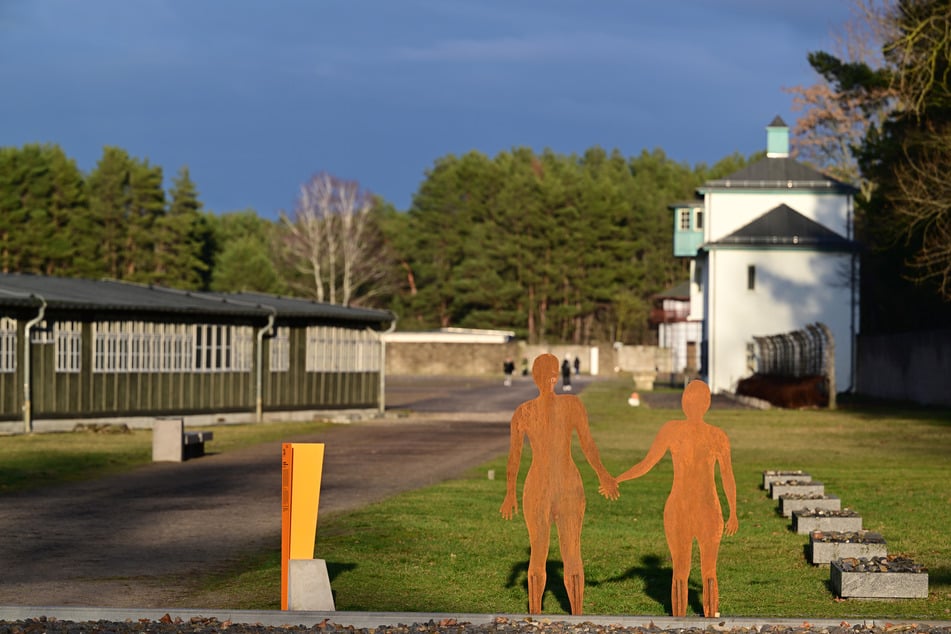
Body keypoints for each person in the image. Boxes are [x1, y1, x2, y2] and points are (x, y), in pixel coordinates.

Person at [500, 353, 619, 615]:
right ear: (554, 376)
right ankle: (573, 614)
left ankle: (537, 613)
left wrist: (511, 493)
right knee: (569, 552)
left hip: (544, 484)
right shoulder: (568, 405)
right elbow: (587, 445)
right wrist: (602, 474)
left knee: (542, 552)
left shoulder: (525, 411)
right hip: (563, 483)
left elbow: (514, 459)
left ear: (535, 377)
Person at [615, 379, 738, 618]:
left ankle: (679, 619)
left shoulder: (674, 430)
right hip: (706, 509)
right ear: (708, 403)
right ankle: (709, 615)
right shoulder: (716, 435)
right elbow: (728, 478)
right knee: (707, 571)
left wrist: (617, 479)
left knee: (681, 571)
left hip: (684, 509)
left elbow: (646, 465)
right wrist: (732, 511)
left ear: (684, 403)